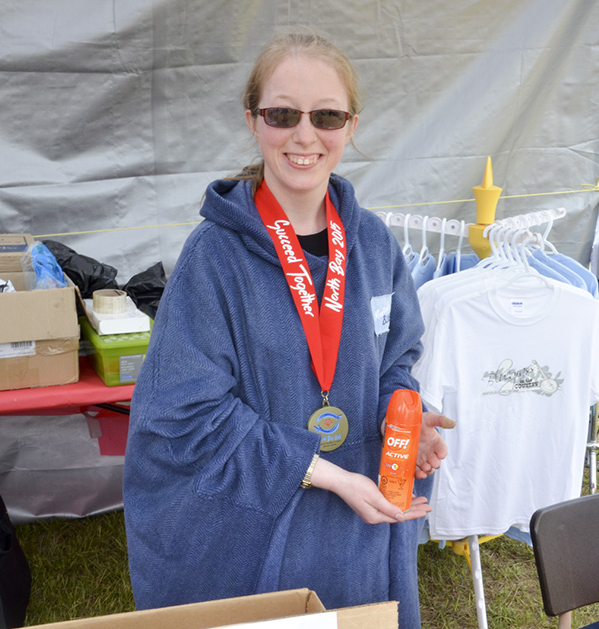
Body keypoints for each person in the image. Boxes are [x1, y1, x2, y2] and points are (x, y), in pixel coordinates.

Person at [123, 31, 454, 629]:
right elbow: (184, 411)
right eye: (283, 114)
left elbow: (394, 360)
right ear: (253, 120)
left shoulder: (373, 243)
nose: (305, 136)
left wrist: (401, 413)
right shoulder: (214, 257)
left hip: (361, 520)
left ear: (351, 126)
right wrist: (327, 474)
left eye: (327, 115)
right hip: (260, 529)